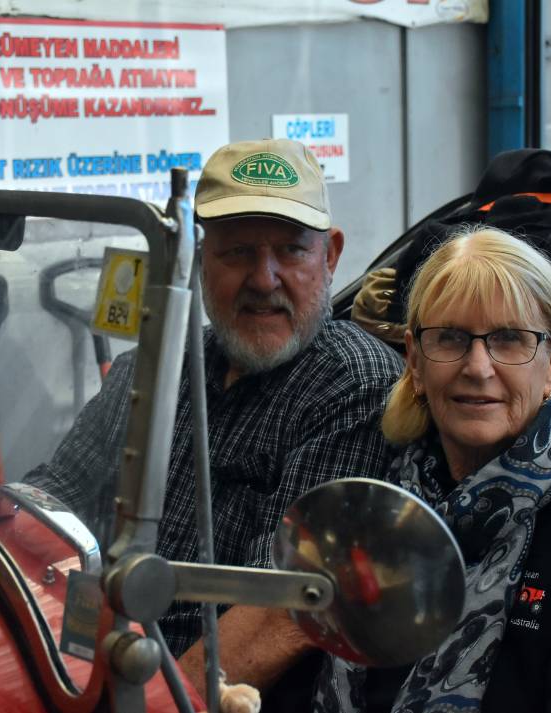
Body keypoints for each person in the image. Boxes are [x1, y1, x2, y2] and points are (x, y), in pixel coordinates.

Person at [24, 138, 403, 692]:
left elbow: (284, 604)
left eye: (291, 251)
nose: (264, 279)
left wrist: (153, 705)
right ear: (201, 260)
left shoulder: (353, 386)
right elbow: (53, 499)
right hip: (75, 664)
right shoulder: (151, 369)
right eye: (238, 252)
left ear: (332, 256)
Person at [313, 227, 551, 712]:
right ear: (413, 360)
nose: (478, 366)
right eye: (450, 337)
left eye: (510, 339)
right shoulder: (379, 504)